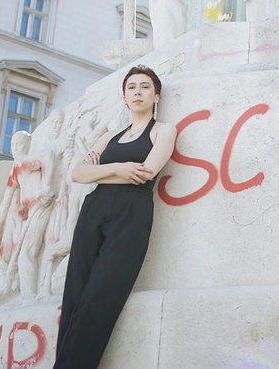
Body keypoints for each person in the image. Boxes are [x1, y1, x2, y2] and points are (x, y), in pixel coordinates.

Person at [53, 65, 177, 369]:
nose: (138, 92)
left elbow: (146, 173)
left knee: (101, 295)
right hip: (94, 211)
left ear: (156, 95)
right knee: (75, 294)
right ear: (124, 97)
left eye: (145, 87)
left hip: (131, 214)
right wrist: (120, 169)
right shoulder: (109, 137)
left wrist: (101, 171)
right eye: (132, 87)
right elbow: (77, 174)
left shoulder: (164, 130)